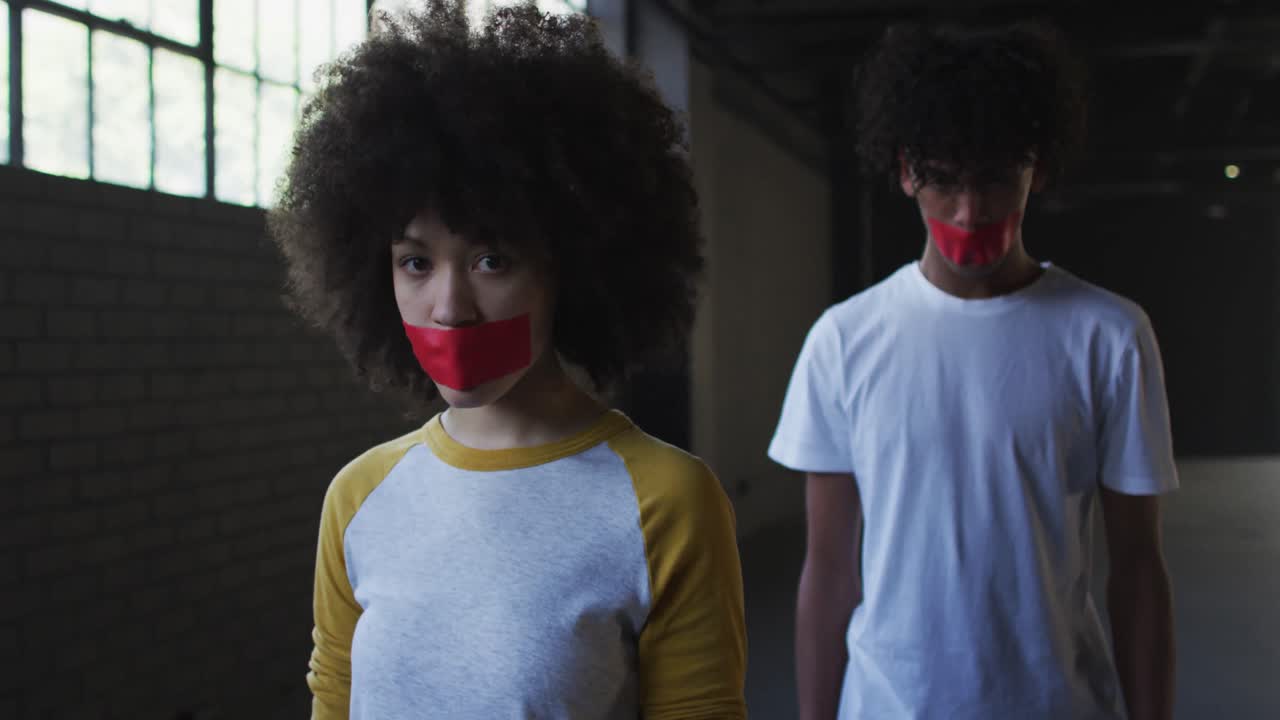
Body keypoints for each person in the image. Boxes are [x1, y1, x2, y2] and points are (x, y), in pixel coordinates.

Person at [267, 2, 747, 718]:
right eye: (415, 261)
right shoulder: (358, 499)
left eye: (493, 258)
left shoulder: (666, 503)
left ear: (571, 265)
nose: (449, 305)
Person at [769, 21, 1177, 720]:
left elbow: (1138, 571)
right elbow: (829, 572)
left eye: (994, 180)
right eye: (943, 181)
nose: (969, 211)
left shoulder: (1109, 337)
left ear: (1036, 169)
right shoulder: (844, 341)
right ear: (904, 172)